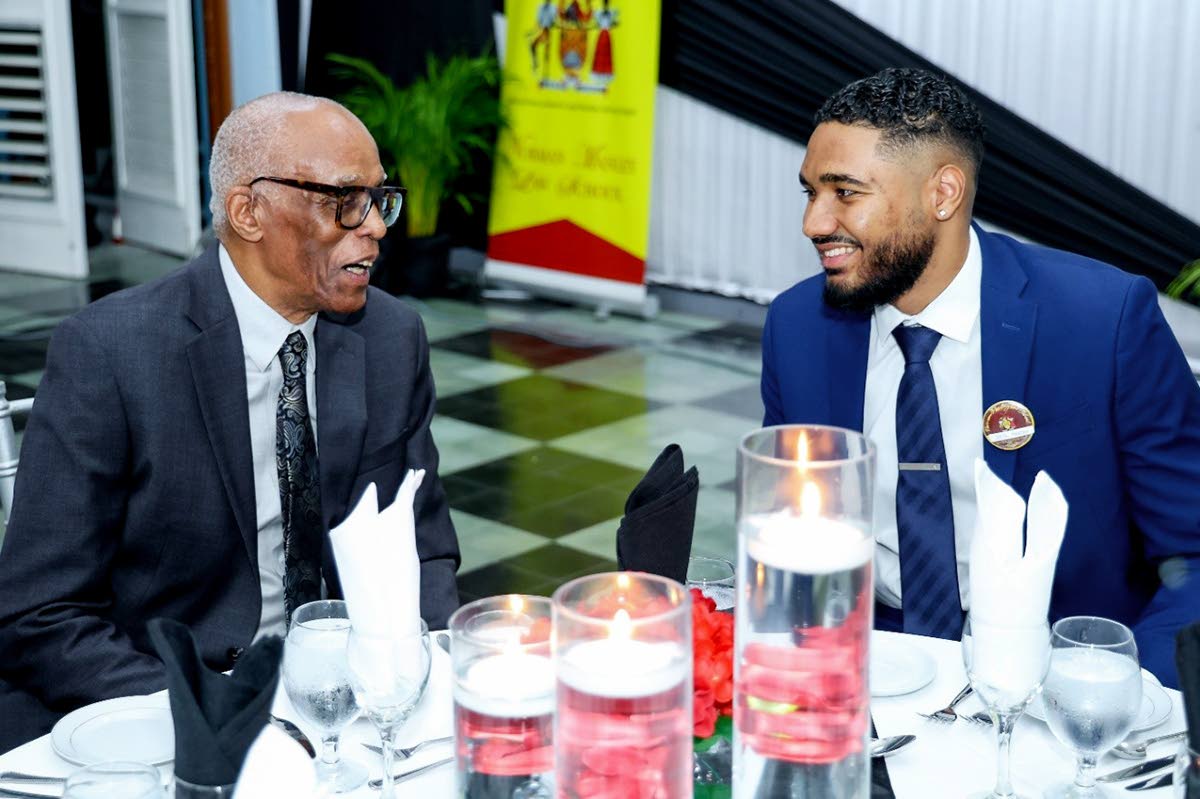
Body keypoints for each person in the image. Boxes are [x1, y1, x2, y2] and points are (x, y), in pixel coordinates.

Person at [0, 92, 461, 748]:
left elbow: (423, 547)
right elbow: (38, 614)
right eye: (345, 202)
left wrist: (422, 677)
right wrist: (208, 713)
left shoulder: (390, 337)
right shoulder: (110, 352)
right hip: (172, 704)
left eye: (379, 199)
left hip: (353, 705)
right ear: (249, 212)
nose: (376, 227)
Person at [761, 68, 1200, 687]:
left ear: (943, 193)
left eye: (845, 193)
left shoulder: (1102, 320)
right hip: (865, 660)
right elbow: (791, 530)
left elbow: (1193, 550)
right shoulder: (797, 326)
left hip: (1057, 671)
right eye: (810, 192)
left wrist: (1134, 693)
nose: (814, 222)